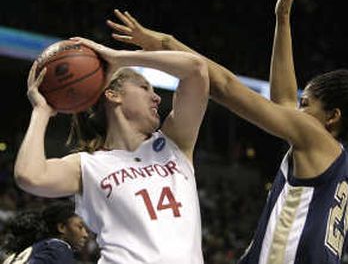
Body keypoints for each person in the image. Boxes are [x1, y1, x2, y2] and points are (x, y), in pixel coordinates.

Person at [104, 0, 348, 262]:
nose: (297, 111)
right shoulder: (340, 160)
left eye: (306, 104)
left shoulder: (313, 135)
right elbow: (282, 101)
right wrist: (282, 19)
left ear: (332, 117)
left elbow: (225, 86)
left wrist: (165, 43)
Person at [14, 42, 209, 263]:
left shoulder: (174, 143)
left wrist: (120, 57)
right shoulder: (87, 165)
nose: (157, 98)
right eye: (145, 88)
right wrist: (41, 111)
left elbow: (196, 69)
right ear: (113, 95)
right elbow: (29, 176)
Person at [2, 201, 88, 264]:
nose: (85, 234)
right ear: (62, 227)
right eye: (80, 227)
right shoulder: (59, 248)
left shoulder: (34, 248)